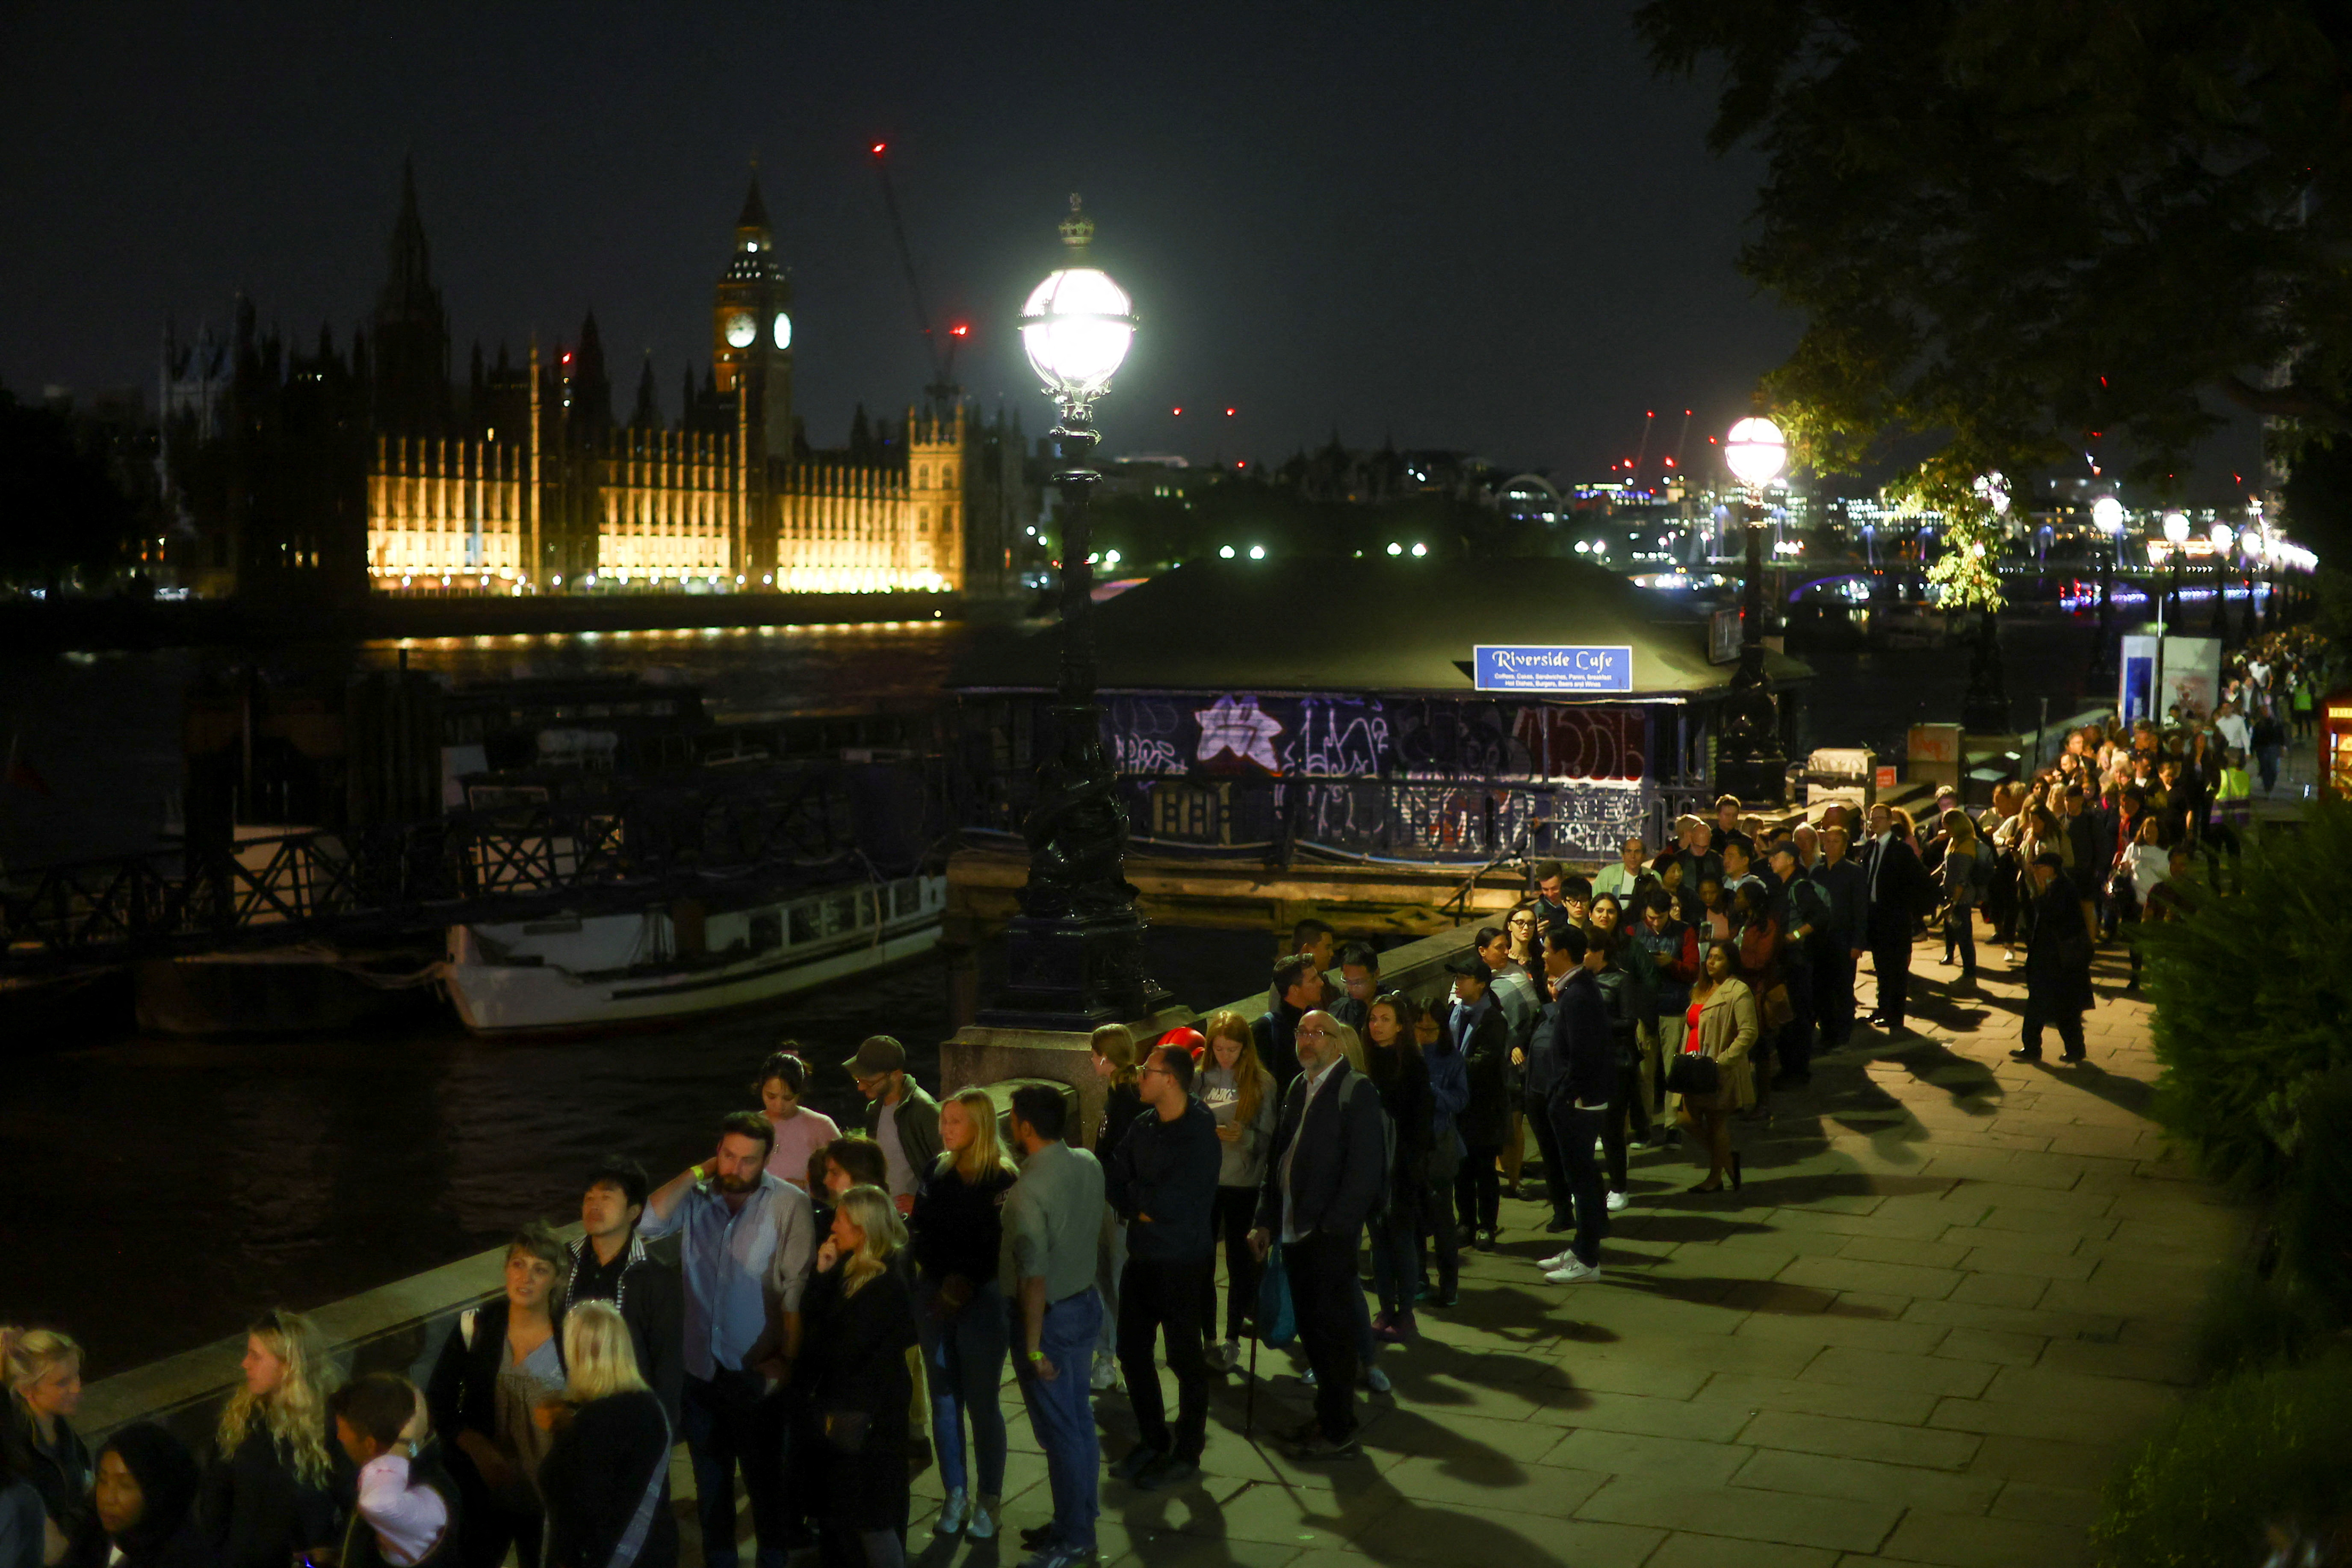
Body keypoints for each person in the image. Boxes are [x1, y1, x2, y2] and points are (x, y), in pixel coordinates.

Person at [639, 1113, 816, 1568]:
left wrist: (786, 1362)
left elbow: (797, 1288)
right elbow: (645, 1223)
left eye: (747, 1160)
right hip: (700, 1370)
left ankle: (772, 1558)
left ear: (767, 1159)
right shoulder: (697, 1197)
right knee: (710, 1484)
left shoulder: (789, 1204)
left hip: (758, 1370)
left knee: (765, 1484)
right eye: (727, 1155)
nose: (734, 1168)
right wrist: (695, 1172)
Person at [1248, 1011, 1387, 1461]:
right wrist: (1266, 1218)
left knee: (1332, 1333)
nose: (1306, 1040)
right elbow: (1278, 1159)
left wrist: (1332, 1228)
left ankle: (1339, 1424)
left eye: (1317, 1034)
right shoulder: (1297, 1085)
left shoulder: (1356, 1090)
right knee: (1312, 1330)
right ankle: (1326, 1416)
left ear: (1338, 1043)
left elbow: (1364, 1172)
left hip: (1323, 1235)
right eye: (1301, 1033)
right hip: (1293, 1228)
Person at [1105, 1045, 1221, 1493]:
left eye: (1146, 1071)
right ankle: (1152, 1439)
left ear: (1170, 1078)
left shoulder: (1197, 1132)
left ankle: (1187, 1450)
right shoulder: (1142, 1125)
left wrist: (1141, 1201)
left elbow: (1175, 1203)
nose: (1139, 1077)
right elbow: (1115, 1178)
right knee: (1132, 1350)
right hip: (1143, 1257)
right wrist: (1140, 1203)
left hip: (1181, 1260)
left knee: (1183, 1357)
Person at [1000, 1085, 1106, 1568]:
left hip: (1052, 1320)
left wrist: (1032, 1346)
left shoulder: (1026, 1192)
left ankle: (1075, 1536)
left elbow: (1033, 1277)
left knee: (1061, 1431)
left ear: (1023, 1126)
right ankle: (1077, 1515)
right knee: (1080, 1421)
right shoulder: (1088, 1162)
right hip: (1086, 1303)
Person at [427, 1222, 570, 1568]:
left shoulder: (572, 1337)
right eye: (519, 1264)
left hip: (551, 1494)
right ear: (506, 1269)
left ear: (556, 1279)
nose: (527, 1277)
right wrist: (475, 1445)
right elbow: (437, 1402)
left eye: (540, 1269)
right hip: (486, 1489)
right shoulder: (476, 1327)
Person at [907, 1090, 1017, 1541]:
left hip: (983, 1300)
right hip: (935, 1294)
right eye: (944, 1121)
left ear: (979, 1127)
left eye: (954, 1122)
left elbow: (1000, 1243)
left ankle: (989, 1498)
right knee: (944, 1398)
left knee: (982, 1400)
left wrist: (965, 1282)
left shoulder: (1002, 1179)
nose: (944, 1129)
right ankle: (956, 1491)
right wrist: (937, 1282)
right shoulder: (938, 1170)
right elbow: (920, 1229)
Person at [793, 1187, 919, 1568]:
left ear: (863, 1229)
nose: (832, 1226)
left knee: (871, 1520)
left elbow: (838, 1346)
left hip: (868, 1423)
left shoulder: (885, 1284)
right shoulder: (849, 1269)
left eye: (841, 1220)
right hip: (848, 1417)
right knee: (846, 1518)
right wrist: (822, 1271)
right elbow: (813, 1319)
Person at [201, 1311, 345, 1568]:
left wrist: (332, 1552)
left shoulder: (330, 1427)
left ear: (289, 1365)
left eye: (256, 1356)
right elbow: (215, 1501)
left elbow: (355, 1502)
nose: (245, 1364)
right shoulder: (241, 1419)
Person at [537, 1302, 676, 1568]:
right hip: (654, 1553)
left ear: (577, 1352)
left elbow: (580, 1512)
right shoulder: (650, 1407)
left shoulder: (593, 1422)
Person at [561, 1159, 685, 1425]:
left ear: (634, 1212)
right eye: (589, 1198)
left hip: (630, 1418)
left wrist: (661, 1431)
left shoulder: (656, 1278)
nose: (593, 1206)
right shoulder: (563, 1264)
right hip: (570, 1414)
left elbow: (668, 1365)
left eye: (606, 1198)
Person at [1530, 929, 1614, 1285]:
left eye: (1547, 950)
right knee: (1583, 1176)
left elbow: (1582, 1055)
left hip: (1579, 1103)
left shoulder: (1578, 994)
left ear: (1563, 953)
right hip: (1579, 1099)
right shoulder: (1578, 988)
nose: (1543, 955)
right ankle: (1582, 1245)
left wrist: (1562, 1097)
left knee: (1581, 1179)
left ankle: (1587, 1257)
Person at [1194, 1011, 1276, 1371]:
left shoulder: (1262, 1083)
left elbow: (1269, 1139)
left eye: (1232, 1049)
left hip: (1242, 1181)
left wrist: (1243, 1136)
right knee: (1202, 1261)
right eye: (1220, 1048)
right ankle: (1207, 1335)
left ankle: (1232, 1338)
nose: (1225, 1055)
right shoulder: (1200, 1077)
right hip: (1206, 1180)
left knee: (1239, 1262)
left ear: (1245, 1049)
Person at [1360, 995, 1433, 1341]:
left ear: (1401, 1025)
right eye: (1373, 1018)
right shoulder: (1364, 1061)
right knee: (1378, 1242)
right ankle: (1385, 1306)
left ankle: (1405, 1312)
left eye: (1385, 1019)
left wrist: (1408, 1164)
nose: (1377, 1025)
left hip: (1401, 1169)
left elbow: (1420, 1124)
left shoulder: (1413, 1066)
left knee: (1401, 1240)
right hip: (1371, 1165)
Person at [329, 1376, 455, 1568]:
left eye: (342, 1431)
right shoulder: (391, 1477)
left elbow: (377, 1504)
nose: (339, 1437)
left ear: (370, 1445)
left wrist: (403, 1445)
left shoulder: (424, 1496)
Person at [1086, 1023, 1145, 1393]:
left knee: (1115, 1284)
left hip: (1118, 1207)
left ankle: (1121, 1361)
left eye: (1093, 1054)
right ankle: (1111, 1360)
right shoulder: (1123, 1092)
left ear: (1105, 1057)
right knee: (1111, 1282)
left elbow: (1118, 1156)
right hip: (1114, 1204)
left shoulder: (1125, 1099)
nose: (1091, 1060)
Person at [2, 1328, 90, 1568]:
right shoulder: (15, 1451)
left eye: (76, 1376)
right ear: (27, 1389)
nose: (77, 1389)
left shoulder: (64, 1432)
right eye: (62, 1383)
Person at [1441, 957, 1512, 1250]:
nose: (1458, 981)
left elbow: (1484, 1062)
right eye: (1457, 976)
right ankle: (1465, 1222)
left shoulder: (1493, 1018)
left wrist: (1449, 1070)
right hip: (1457, 1104)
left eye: (1464, 977)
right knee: (1461, 1169)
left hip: (1484, 1107)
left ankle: (1486, 1225)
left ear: (1481, 984)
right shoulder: (1453, 1012)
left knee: (1484, 1169)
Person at [1678, 943, 1759, 1194]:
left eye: (1719, 959)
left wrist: (1723, 1061)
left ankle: (1715, 1178)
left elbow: (1749, 1032)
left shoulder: (1738, 991)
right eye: (1710, 957)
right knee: (1685, 1119)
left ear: (1731, 963)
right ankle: (1727, 1161)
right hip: (1692, 1066)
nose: (1711, 962)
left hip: (1716, 1068)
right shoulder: (1700, 989)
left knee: (1716, 1121)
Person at [91, 1425, 213, 1568]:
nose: (107, 1498)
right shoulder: (90, 1539)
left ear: (157, 1493)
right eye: (103, 1480)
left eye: (125, 1485)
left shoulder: (183, 1558)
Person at [1409, 1004, 1466, 1309]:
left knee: (1443, 1219)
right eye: (1419, 1028)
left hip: (1440, 1146)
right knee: (1414, 1219)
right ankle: (1418, 1277)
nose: (1423, 1035)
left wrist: (1432, 1091)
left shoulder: (1451, 1059)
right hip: (1413, 1146)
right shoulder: (1408, 1056)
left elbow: (1460, 1099)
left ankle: (1449, 1284)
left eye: (1430, 1029)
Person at [1859, 803, 1934, 1034]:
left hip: (1894, 917)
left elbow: (1920, 880)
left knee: (1896, 969)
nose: (1874, 823)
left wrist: (1909, 909)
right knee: (1882, 966)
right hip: (1876, 915)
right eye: (1872, 819)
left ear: (1890, 821)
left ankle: (1895, 1014)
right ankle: (1883, 1009)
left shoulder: (1900, 850)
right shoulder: (1871, 847)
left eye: (1879, 819)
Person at [1630, 892, 1700, 1141]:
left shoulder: (1685, 932)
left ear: (1669, 912)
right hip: (1645, 1010)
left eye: (1660, 918)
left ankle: (1673, 1125)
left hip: (1674, 1007)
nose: (1656, 923)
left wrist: (1672, 964)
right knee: (1643, 1071)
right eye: (1651, 918)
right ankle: (1644, 1125)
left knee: (1673, 1070)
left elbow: (1693, 971)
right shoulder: (1635, 932)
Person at [2012, 852, 2094, 1064]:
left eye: (2040, 867)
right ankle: (2036, 1047)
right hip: (2049, 956)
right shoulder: (2054, 886)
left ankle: (2069, 1049)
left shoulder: (2063, 888)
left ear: (2052, 868)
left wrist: (2040, 895)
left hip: (2058, 958)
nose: (2036, 871)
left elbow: (2053, 917)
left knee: (2060, 1007)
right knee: (2048, 1005)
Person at [845, 1039, 940, 1218]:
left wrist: (924, 1203)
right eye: (859, 1080)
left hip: (911, 1219)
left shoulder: (923, 1110)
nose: (861, 1087)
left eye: (870, 1082)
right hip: (883, 1214)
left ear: (895, 1075)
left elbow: (947, 1167)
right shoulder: (875, 1110)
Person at [1765, 842, 1830, 1087]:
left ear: (1791, 860)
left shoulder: (1799, 887)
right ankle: (1789, 1070)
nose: (1771, 860)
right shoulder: (1782, 886)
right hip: (1785, 961)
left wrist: (1796, 936)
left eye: (1775, 856)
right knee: (1786, 1017)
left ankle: (1798, 1072)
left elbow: (1821, 916)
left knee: (1798, 1018)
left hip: (1797, 962)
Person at [754, 1050, 842, 1191]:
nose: (779, 1105)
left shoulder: (820, 1126)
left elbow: (846, 1175)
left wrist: (807, 1187)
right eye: (771, 1096)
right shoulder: (751, 1125)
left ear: (799, 1093)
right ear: (761, 1088)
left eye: (788, 1098)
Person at [1253, 953, 1327, 1092]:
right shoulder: (1266, 1029)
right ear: (1294, 989)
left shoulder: (1322, 1020)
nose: (1321, 983)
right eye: (1313, 980)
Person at [2114, 815, 2170, 991]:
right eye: (2147, 832)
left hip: (2156, 905)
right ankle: (2136, 976)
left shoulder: (2165, 853)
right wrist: (2122, 870)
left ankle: (2156, 977)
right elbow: (2125, 873)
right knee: (2135, 943)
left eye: (2154, 832)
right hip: (2136, 903)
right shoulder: (2134, 848)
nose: (2150, 835)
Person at [1935, 811, 1984, 984]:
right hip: (1951, 896)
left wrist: (1954, 903)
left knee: (1964, 936)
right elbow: (1946, 866)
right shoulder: (1955, 841)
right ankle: (1964, 967)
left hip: (1961, 899)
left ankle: (1970, 973)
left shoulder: (1967, 845)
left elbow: (1962, 879)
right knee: (1955, 930)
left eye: (1946, 824)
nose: (1944, 828)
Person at [1330, 943, 1380, 1032]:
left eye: (1358, 982)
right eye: (1348, 981)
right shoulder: (1339, 1009)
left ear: (1376, 974)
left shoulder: (1394, 1002)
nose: (1352, 988)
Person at [1591, 837, 1648, 902]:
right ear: (1623, 856)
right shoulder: (1606, 875)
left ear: (1644, 856)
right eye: (1629, 852)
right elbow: (1596, 902)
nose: (1633, 856)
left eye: (1637, 852)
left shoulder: (1653, 876)